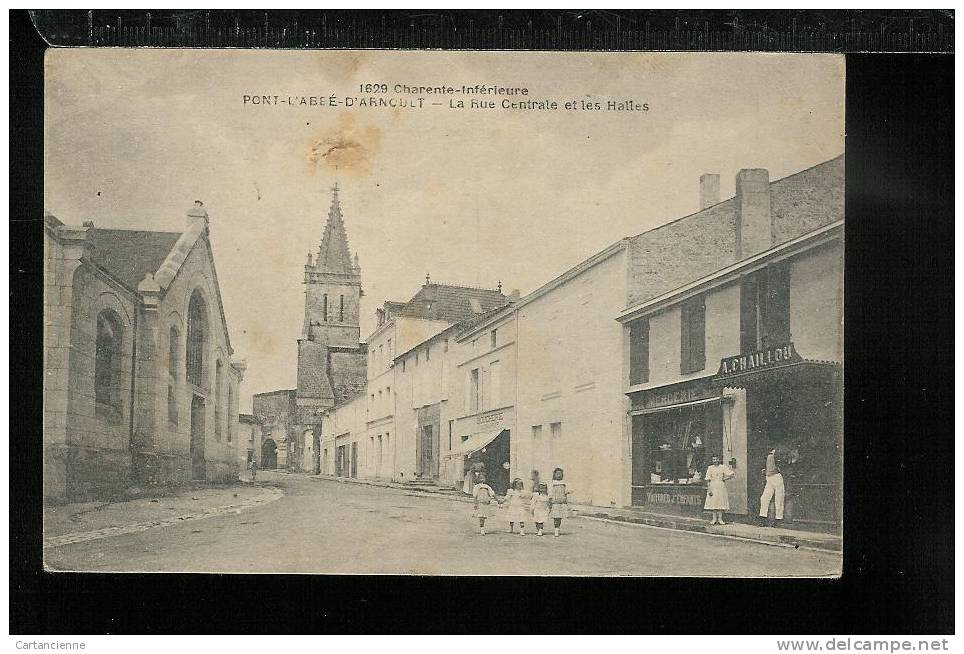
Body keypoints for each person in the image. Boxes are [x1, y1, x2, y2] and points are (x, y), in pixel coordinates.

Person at [703, 455, 734, 525]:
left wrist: (724, 479)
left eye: (716, 459)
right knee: (713, 502)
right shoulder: (710, 468)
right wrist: (709, 489)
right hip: (713, 485)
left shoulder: (722, 467)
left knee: (720, 501)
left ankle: (720, 519)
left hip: (720, 485)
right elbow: (707, 479)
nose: (715, 461)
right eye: (713, 459)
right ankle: (714, 519)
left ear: (719, 459)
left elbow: (731, 474)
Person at [758, 447, 785, 526]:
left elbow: (782, 463)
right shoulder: (769, 455)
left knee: (779, 498)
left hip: (776, 477)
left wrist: (777, 469)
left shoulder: (777, 453)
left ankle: (778, 519)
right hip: (769, 478)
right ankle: (762, 518)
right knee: (764, 498)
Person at [547, 467, 571, 537]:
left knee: (560, 517)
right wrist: (550, 500)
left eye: (560, 474)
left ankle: (558, 527)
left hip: (562, 502)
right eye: (557, 474)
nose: (559, 475)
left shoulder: (564, 483)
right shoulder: (552, 483)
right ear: (554, 475)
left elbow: (567, 491)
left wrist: (567, 492)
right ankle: (556, 529)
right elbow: (550, 493)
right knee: (556, 517)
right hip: (555, 502)